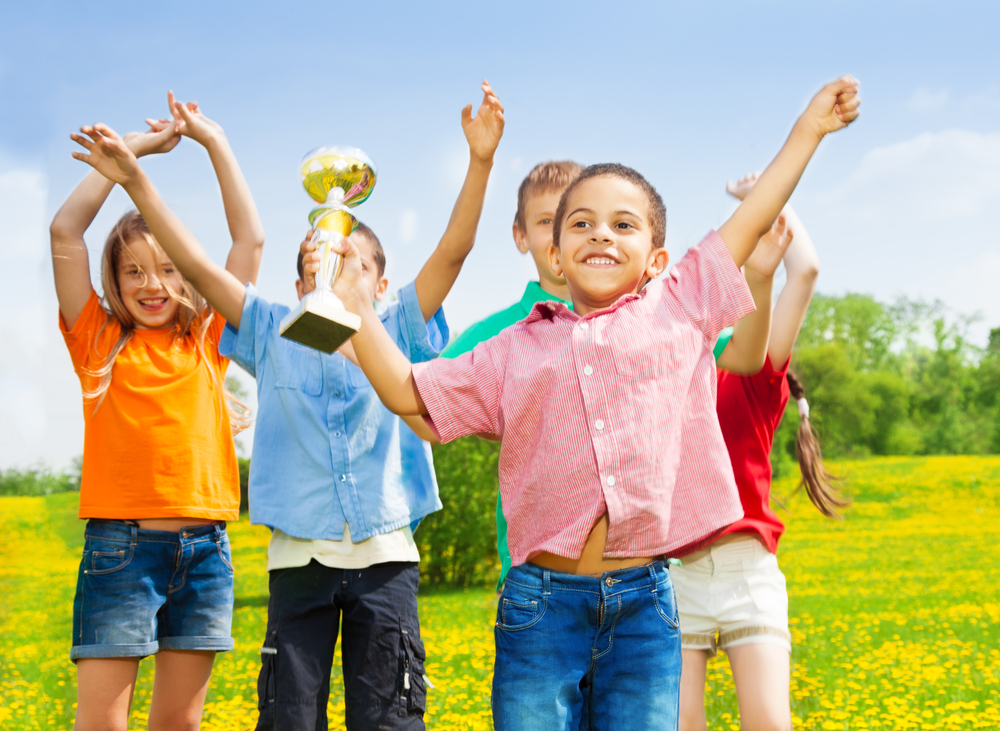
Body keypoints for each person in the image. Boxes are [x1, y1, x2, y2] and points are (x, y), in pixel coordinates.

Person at [327, 76, 860, 729]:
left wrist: (808, 129)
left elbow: (750, 222)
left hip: (646, 606)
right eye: (580, 223)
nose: (600, 234)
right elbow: (413, 394)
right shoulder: (510, 349)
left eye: (622, 224)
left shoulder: (679, 308)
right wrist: (356, 310)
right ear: (553, 250)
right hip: (539, 608)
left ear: (658, 257)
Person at [72, 80, 505, 729]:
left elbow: (454, 251)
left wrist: (479, 162)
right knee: (288, 718)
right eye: (315, 259)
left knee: (389, 716)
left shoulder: (399, 327)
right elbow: (194, 259)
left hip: (385, 559)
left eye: (349, 257)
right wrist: (136, 182)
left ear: (381, 282)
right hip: (297, 561)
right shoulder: (271, 330)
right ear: (296, 282)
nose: (329, 263)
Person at [440, 160, 793, 592]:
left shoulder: (654, 318)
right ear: (525, 236)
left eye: (603, 218)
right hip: (536, 573)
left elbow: (743, 356)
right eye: (552, 221)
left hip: (642, 569)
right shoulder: (498, 334)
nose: (594, 233)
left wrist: (760, 278)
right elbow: (434, 400)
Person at [55, 94, 264, 731]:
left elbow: (248, 238)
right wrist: (132, 154)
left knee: (179, 722)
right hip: (121, 550)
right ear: (112, 283)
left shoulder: (208, 344)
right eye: (134, 272)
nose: (152, 285)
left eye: (169, 270)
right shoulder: (98, 342)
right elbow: (66, 230)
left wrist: (214, 142)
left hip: (206, 553)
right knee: (104, 724)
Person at [673, 173, 849, 731]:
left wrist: (770, 204)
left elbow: (808, 269)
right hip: (673, 572)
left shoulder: (752, 371)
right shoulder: (659, 376)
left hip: (748, 570)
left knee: (770, 723)